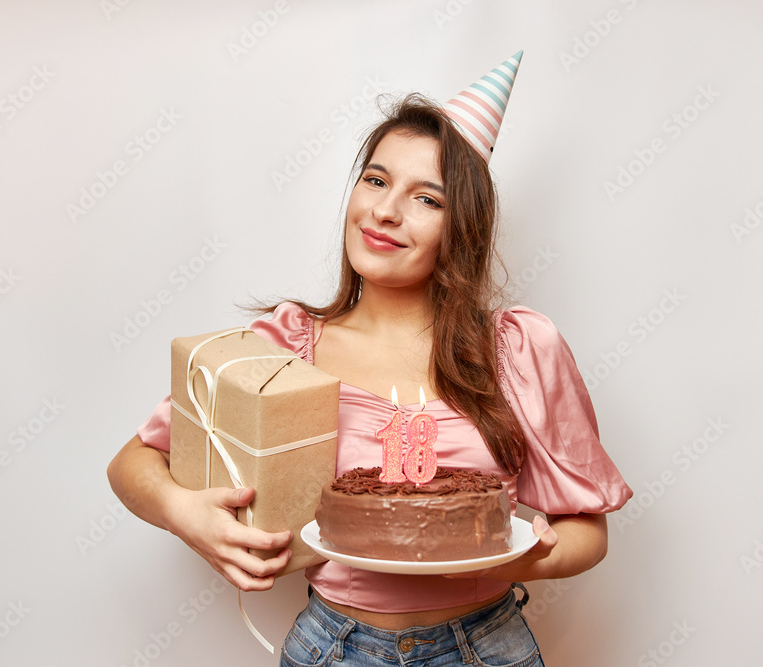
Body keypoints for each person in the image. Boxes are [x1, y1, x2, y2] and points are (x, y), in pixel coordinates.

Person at [108, 53, 633, 667]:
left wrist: (520, 555)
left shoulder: (518, 351)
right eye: (377, 181)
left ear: (461, 227)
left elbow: (587, 532)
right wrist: (186, 514)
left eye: (427, 199)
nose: (385, 211)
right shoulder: (285, 347)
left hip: (486, 647)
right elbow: (133, 461)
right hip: (335, 648)